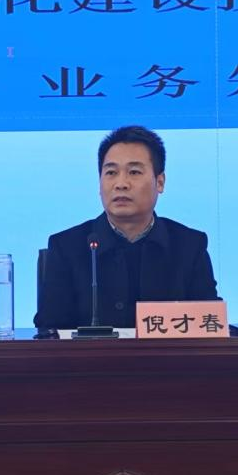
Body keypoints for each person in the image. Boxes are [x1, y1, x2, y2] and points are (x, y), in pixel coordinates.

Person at [34, 125, 219, 330]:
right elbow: (49, 331)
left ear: (160, 182)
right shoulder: (67, 247)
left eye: (134, 172)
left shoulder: (190, 246)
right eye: (111, 172)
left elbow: (210, 323)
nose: (121, 183)